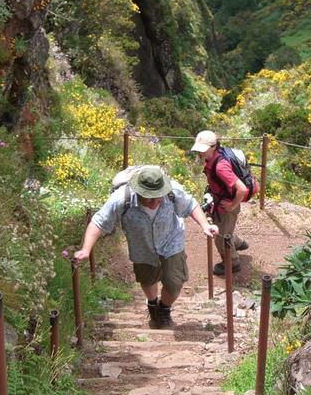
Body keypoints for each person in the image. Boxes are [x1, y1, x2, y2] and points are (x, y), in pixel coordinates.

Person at [74, 164, 217, 327]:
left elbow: (191, 205)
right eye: (149, 198)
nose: (155, 202)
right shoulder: (121, 199)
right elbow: (98, 222)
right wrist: (86, 249)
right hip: (141, 246)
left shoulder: (172, 191)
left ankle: (164, 310)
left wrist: (205, 225)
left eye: (158, 197)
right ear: (139, 191)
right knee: (147, 278)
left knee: (174, 281)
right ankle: (152, 304)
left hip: (171, 240)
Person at [190, 130, 250, 276]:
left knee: (220, 237)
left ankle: (232, 263)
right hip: (220, 202)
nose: (199, 153)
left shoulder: (220, 167)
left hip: (227, 206)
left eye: (202, 150)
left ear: (213, 147)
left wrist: (232, 206)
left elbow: (242, 189)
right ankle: (237, 242)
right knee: (224, 230)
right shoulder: (216, 157)